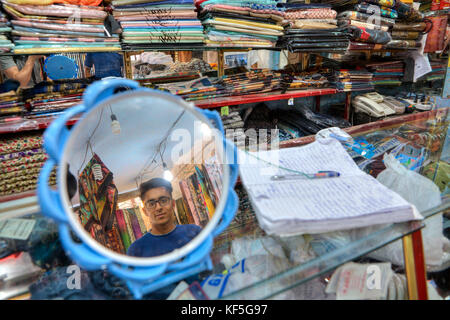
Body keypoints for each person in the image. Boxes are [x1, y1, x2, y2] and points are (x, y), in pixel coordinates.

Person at [127, 178, 202, 258]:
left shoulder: (194, 232)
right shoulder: (136, 250)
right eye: (151, 204)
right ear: (145, 211)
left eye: (163, 201)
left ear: (173, 204)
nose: (158, 207)